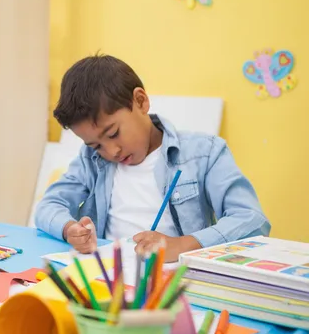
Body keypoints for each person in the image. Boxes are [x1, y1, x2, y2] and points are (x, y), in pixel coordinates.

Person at [35, 54, 270, 261]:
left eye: (114, 133)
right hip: (108, 279)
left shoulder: (205, 153)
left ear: (140, 101)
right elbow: (49, 205)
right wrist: (69, 229)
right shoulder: (90, 160)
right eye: (96, 145)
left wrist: (182, 245)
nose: (111, 152)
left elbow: (252, 220)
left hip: (174, 283)